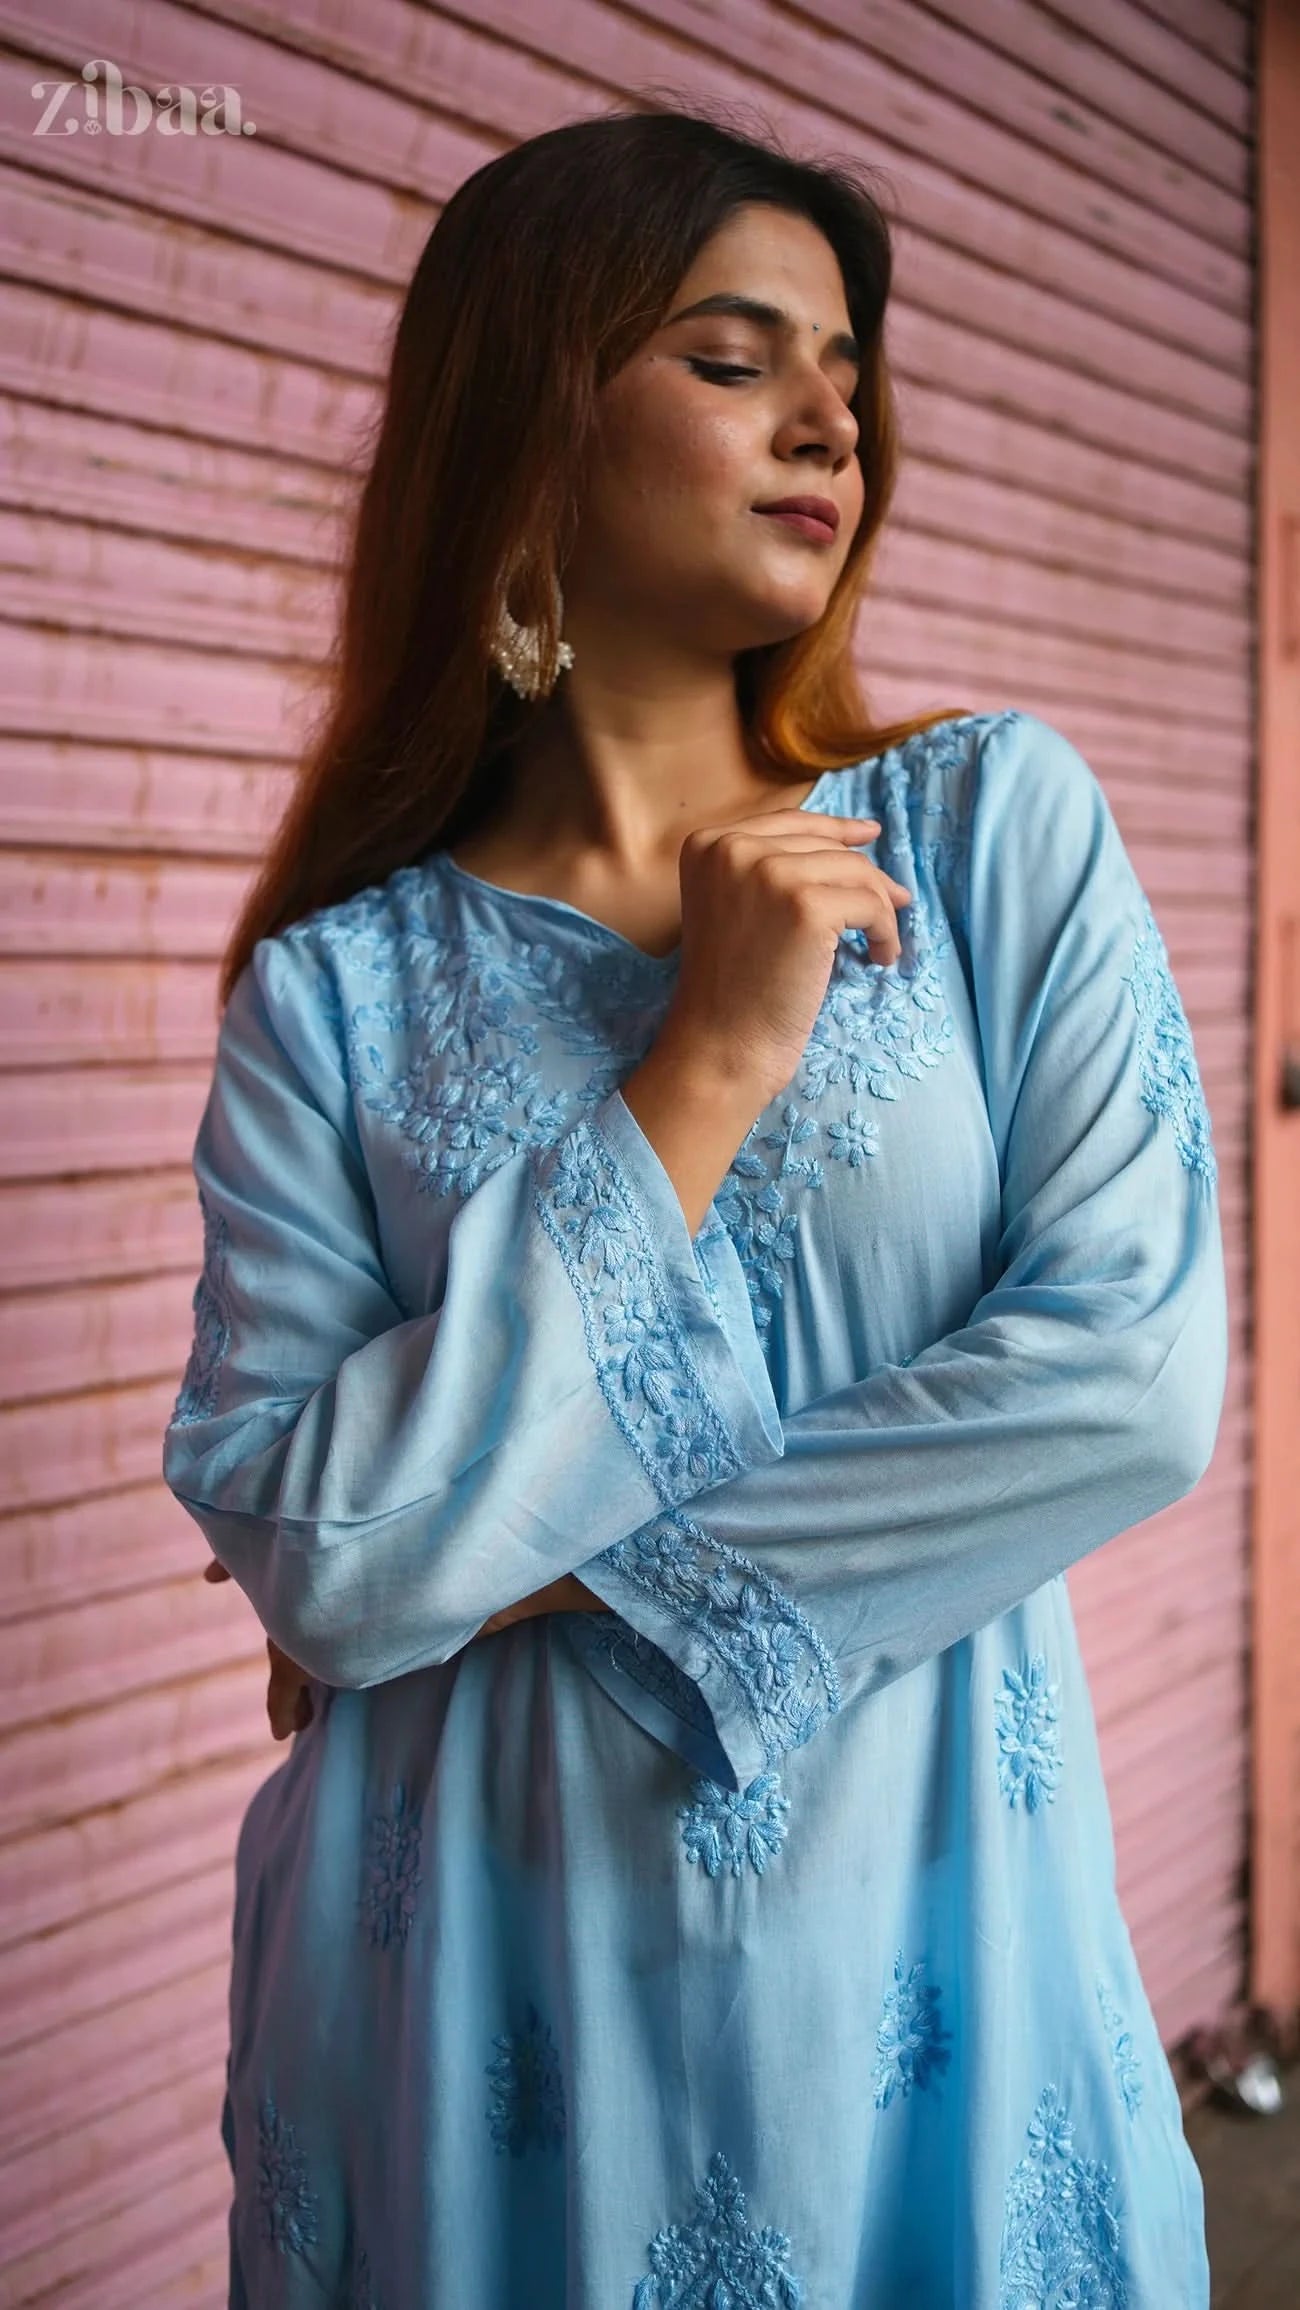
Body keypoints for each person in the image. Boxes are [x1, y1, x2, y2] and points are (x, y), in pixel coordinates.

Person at [163, 98, 1227, 2309]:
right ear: (527, 426)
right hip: (468, 1962)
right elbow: (314, 1540)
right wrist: (704, 1065)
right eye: (730, 358)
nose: (828, 412)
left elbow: (1126, 1383)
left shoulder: (983, 837)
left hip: (930, 1932)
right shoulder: (335, 999)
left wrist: (505, 1571)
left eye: (843, 366)